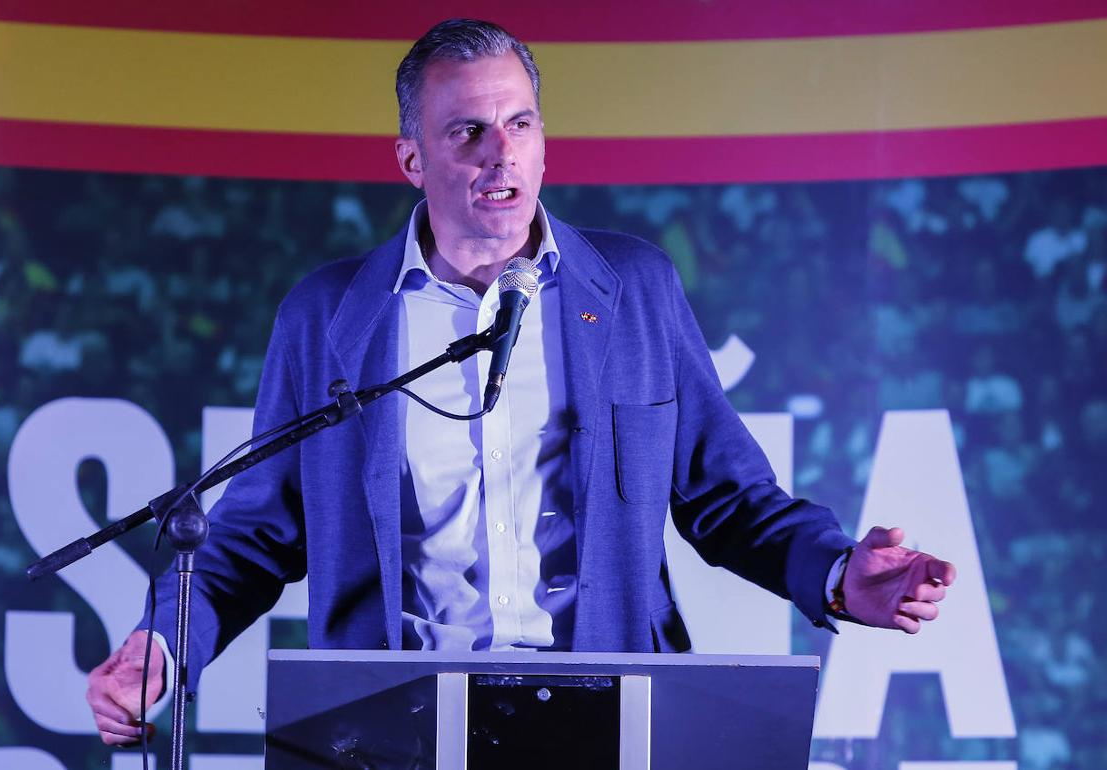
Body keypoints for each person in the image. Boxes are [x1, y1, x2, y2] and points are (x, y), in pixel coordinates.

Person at [87, 18, 956, 746]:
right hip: (393, 726)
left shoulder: (634, 290)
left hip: (607, 716)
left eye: (521, 124)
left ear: (544, 145)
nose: (500, 153)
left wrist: (838, 573)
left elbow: (728, 496)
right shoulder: (329, 315)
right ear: (412, 159)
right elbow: (253, 537)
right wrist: (163, 645)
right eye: (467, 132)